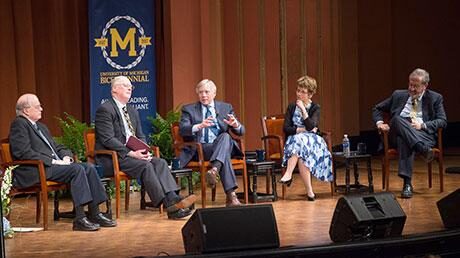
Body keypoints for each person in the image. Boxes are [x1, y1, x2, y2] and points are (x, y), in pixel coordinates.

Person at [9, 93, 116, 231]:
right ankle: (80, 218)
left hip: (51, 167)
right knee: (76, 170)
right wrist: (54, 161)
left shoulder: (41, 127)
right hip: (35, 169)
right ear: (26, 110)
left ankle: (95, 213)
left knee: (88, 167)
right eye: (37, 106)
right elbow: (23, 152)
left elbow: (58, 146)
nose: (41, 109)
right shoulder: (19, 124)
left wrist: (66, 157)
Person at [95, 76, 196, 219]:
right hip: (113, 157)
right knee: (146, 166)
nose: (129, 88)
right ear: (114, 90)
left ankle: (173, 197)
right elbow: (107, 139)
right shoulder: (105, 109)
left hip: (133, 156)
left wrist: (143, 150)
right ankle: (170, 206)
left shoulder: (132, 110)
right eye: (125, 85)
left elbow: (140, 135)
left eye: (130, 86)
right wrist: (131, 153)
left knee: (159, 162)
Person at [372, 68, 447, 198]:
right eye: (410, 85)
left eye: (416, 86)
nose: (411, 89)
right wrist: (379, 123)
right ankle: (422, 149)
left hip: (421, 134)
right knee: (397, 119)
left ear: (425, 86)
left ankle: (407, 184)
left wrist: (422, 125)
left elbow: (442, 121)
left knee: (404, 138)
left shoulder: (435, 98)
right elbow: (377, 108)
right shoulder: (398, 95)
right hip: (395, 132)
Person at [179, 79, 245, 207]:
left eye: (206, 92)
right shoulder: (189, 109)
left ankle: (214, 170)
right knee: (224, 154)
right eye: (200, 92)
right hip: (201, 149)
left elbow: (241, 131)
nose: (203, 95)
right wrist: (199, 126)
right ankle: (231, 196)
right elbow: (183, 129)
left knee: (225, 136)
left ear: (214, 93)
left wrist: (235, 125)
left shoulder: (226, 108)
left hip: (220, 145)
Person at [278, 75, 333, 201]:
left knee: (300, 141)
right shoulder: (291, 107)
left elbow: (311, 126)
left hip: (313, 142)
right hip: (296, 142)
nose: (299, 94)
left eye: (303, 92)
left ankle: (288, 173)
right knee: (302, 155)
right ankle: (310, 192)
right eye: (298, 90)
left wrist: (303, 109)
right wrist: (300, 130)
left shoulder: (315, 108)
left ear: (310, 95)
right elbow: (286, 128)